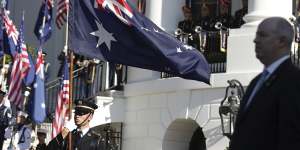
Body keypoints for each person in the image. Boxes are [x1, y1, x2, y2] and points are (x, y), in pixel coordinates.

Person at [229, 17, 300, 150]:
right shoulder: (256, 83)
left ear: (282, 41)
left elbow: (291, 138)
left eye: (262, 35)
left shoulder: (294, 81)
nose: (255, 40)